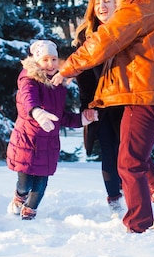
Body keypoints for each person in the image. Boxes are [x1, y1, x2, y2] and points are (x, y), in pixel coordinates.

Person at [51, 0, 154, 233]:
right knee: (137, 154)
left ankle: (137, 225)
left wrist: (67, 69)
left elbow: (103, 42)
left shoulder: (139, 6)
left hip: (145, 95)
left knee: (128, 162)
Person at [6, 39, 97, 220]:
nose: (50, 64)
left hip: (49, 144)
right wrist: (37, 112)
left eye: (54, 60)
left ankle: (29, 215)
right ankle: (19, 197)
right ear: (37, 61)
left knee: (41, 184)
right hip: (28, 141)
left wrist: (82, 119)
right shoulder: (29, 79)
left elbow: (60, 116)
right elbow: (27, 98)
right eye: (45, 59)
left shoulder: (58, 86)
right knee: (25, 183)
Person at [73, 0, 125, 216]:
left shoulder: (128, 30)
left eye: (106, 1)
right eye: (97, 3)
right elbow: (82, 75)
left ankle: (135, 195)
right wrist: (88, 106)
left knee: (130, 151)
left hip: (127, 101)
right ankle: (115, 198)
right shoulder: (86, 37)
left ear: (116, 4)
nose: (102, 6)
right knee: (108, 151)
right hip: (101, 104)